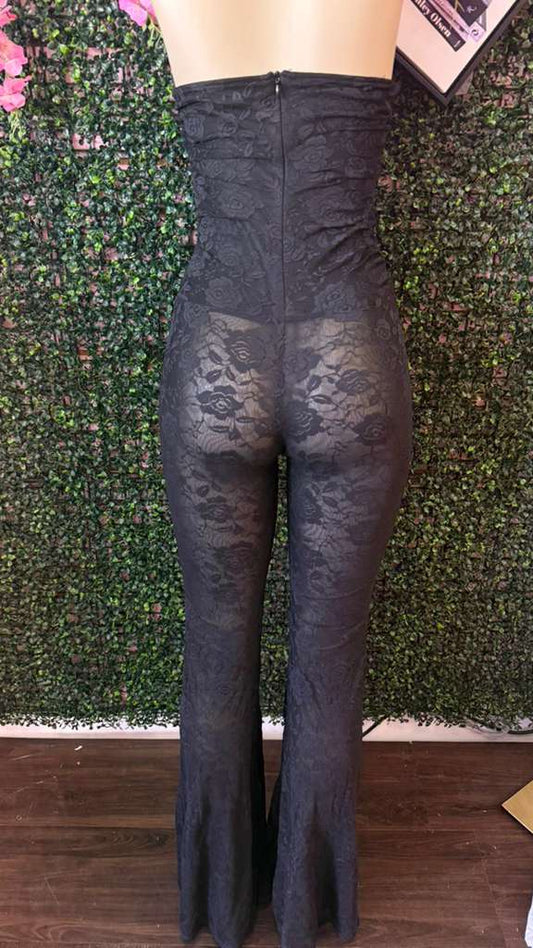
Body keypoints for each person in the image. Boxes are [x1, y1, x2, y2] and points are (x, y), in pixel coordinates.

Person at [154, 1, 413, 945]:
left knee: (217, 644)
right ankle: (308, 909)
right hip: (349, 362)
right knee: (329, 655)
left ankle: (220, 906)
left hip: (216, 364)